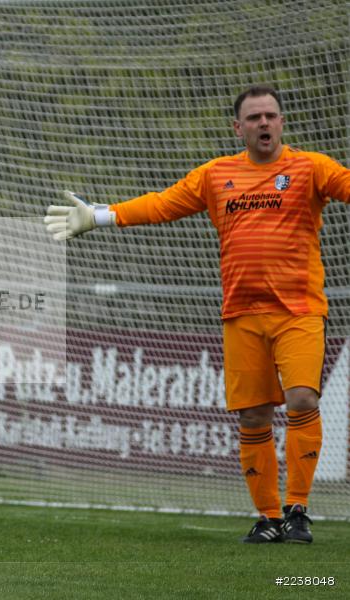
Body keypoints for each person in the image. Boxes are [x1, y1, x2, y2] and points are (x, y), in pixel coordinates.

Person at [45, 85, 350, 544]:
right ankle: (268, 518)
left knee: (303, 399)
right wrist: (100, 216)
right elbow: (163, 204)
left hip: (299, 312)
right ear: (238, 128)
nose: (263, 123)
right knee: (253, 415)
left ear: (282, 123)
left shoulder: (310, 168)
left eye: (270, 116)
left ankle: (298, 510)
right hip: (241, 315)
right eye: (253, 118)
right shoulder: (216, 175)